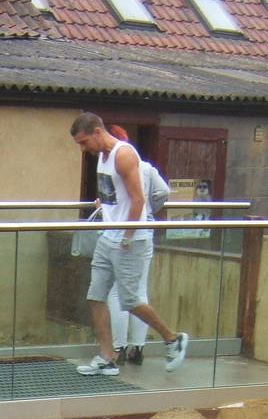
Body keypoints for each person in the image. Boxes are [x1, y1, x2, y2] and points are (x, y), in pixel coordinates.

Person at [68, 113, 190, 377]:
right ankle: (107, 356)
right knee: (96, 296)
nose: (83, 148)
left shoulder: (124, 155)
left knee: (131, 300)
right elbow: (115, 194)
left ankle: (172, 339)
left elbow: (138, 200)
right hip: (107, 236)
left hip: (130, 240)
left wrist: (128, 235)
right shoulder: (102, 157)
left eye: (84, 141)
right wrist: (105, 204)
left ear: (98, 132)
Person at [105, 125, 151, 364]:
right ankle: (138, 347)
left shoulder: (120, 162)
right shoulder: (147, 168)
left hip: (127, 233)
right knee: (139, 291)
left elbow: (133, 199)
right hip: (143, 231)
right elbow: (161, 192)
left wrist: (127, 234)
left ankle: (119, 346)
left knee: (117, 293)